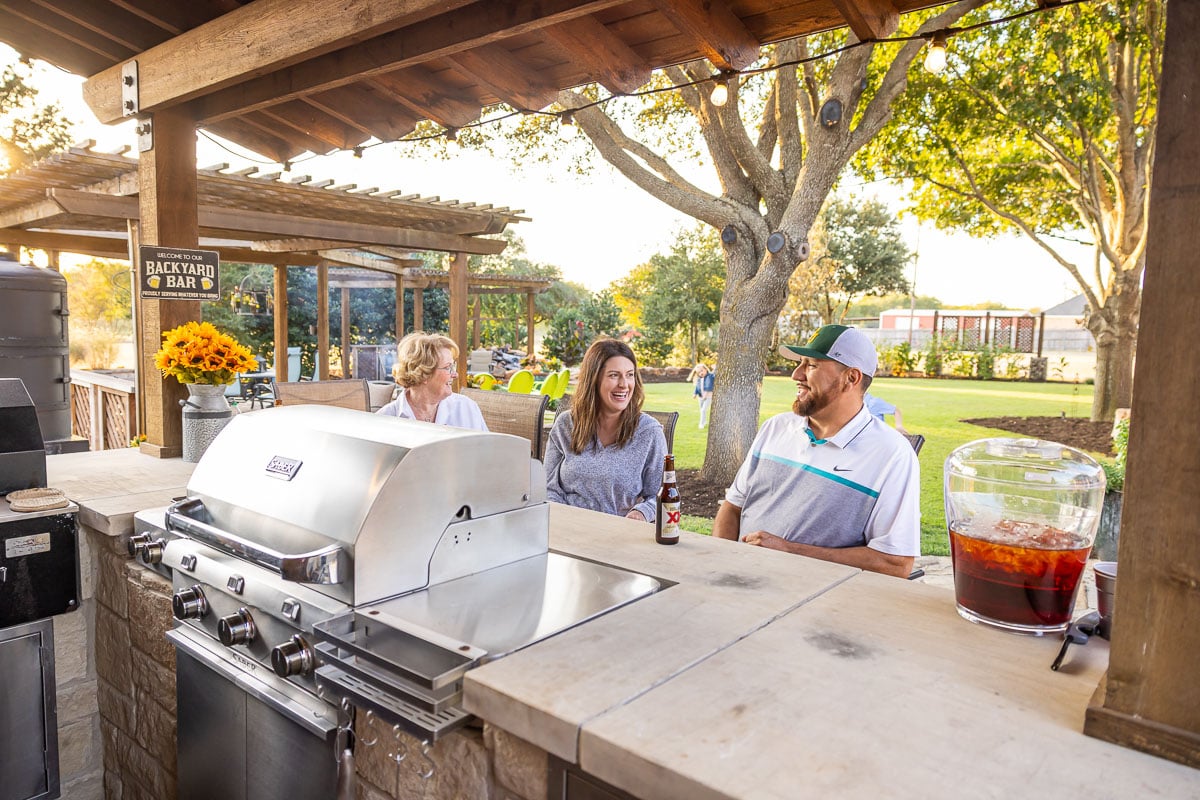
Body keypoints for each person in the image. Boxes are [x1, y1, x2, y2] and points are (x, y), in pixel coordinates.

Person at [712, 325, 920, 578]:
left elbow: (895, 563)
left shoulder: (891, 453)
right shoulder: (776, 428)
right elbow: (733, 506)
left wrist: (789, 551)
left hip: (814, 599)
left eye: (811, 365)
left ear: (851, 378)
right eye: (800, 363)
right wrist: (722, 563)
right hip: (739, 581)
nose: (796, 375)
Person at [544, 338, 667, 522]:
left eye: (630, 374)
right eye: (614, 375)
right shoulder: (566, 425)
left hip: (620, 536)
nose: (624, 384)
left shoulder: (649, 432)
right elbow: (548, 488)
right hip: (567, 530)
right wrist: (566, 521)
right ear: (593, 379)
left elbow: (662, 496)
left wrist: (641, 513)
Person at [376, 332, 488, 431]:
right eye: (448, 367)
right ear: (424, 373)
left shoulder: (467, 408)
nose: (455, 374)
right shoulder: (385, 420)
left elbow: (488, 453)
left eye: (453, 366)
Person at [691, 363, 715, 429]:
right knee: (701, 410)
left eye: (702, 371)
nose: (701, 373)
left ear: (706, 369)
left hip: (708, 397)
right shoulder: (699, 379)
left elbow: (709, 385)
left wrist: (715, 368)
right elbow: (697, 387)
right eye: (699, 372)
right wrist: (695, 394)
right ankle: (704, 421)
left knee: (703, 410)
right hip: (701, 397)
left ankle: (701, 424)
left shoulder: (710, 376)